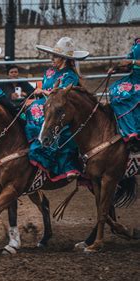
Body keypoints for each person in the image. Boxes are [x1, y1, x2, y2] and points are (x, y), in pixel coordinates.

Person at [25, 37, 89, 181]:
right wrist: (39, 92)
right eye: (53, 55)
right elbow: (44, 87)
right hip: (46, 103)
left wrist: (42, 92)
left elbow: (61, 96)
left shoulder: (70, 76)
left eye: (55, 56)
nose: (52, 59)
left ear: (64, 59)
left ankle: (44, 151)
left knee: (36, 112)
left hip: (61, 108)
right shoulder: (49, 72)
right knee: (28, 109)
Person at [108, 38, 139, 151]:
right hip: (134, 78)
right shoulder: (137, 43)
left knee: (127, 95)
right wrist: (117, 69)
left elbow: (132, 62)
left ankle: (133, 132)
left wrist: (133, 62)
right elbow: (129, 65)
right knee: (115, 92)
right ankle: (130, 132)